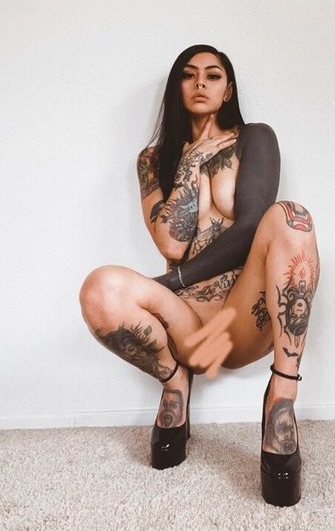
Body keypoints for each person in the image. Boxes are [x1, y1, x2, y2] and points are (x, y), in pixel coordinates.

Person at [79, 44, 320, 507]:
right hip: (187, 328)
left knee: (292, 217)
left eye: (213, 75)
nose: (201, 83)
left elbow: (251, 228)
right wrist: (190, 163)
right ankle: (175, 384)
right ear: (177, 88)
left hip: (243, 320)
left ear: (228, 89)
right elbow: (171, 244)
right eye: (189, 75)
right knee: (99, 289)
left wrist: (168, 283)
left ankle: (282, 397)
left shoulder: (255, 139)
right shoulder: (153, 160)